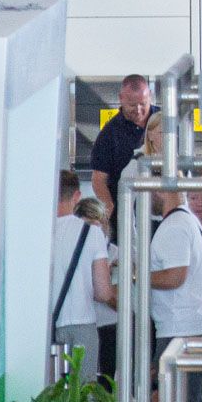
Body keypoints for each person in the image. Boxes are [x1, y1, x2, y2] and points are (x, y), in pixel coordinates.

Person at [148, 177, 202, 402]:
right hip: (185, 324)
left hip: (178, 326)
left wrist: (136, 276)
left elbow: (175, 276)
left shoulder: (175, 226)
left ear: (160, 190)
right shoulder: (187, 221)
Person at [51, 169, 115, 381]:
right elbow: (104, 292)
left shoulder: (37, 231)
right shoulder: (92, 232)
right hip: (82, 324)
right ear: (77, 196)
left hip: (45, 326)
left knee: (50, 396)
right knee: (82, 399)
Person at [89, 73, 153, 213]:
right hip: (126, 214)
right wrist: (111, 211)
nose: (138, 110)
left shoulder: (165, 121)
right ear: (121, 99)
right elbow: (99, 180)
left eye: (143, 104)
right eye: (132, 105)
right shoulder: (109, 134)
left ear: (150, 97)